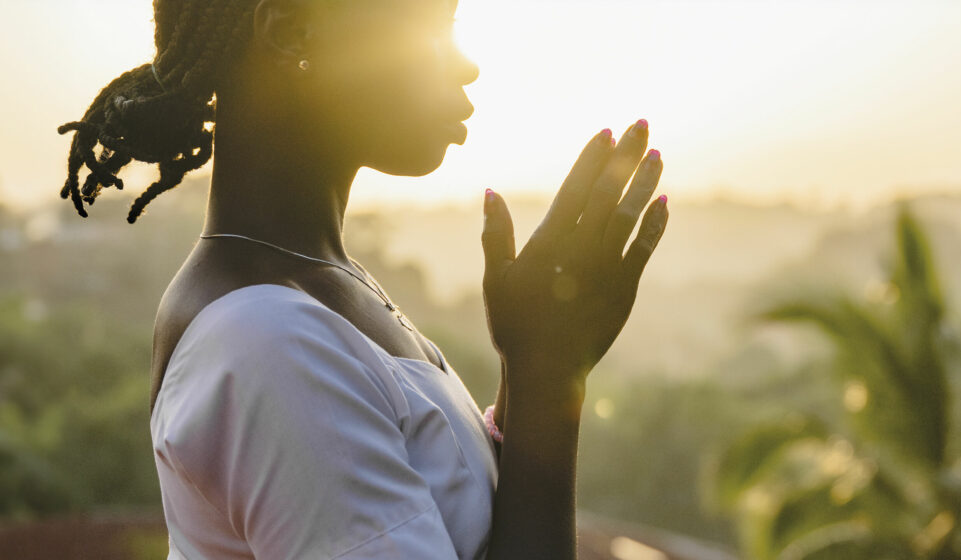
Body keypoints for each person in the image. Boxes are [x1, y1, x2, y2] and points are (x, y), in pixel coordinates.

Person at [57, 0, 669, 558]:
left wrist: (529, 363)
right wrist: (548, 378)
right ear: (293, 32)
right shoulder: (265, 342)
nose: (468, 66)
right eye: (432, 24)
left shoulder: (321, 286)